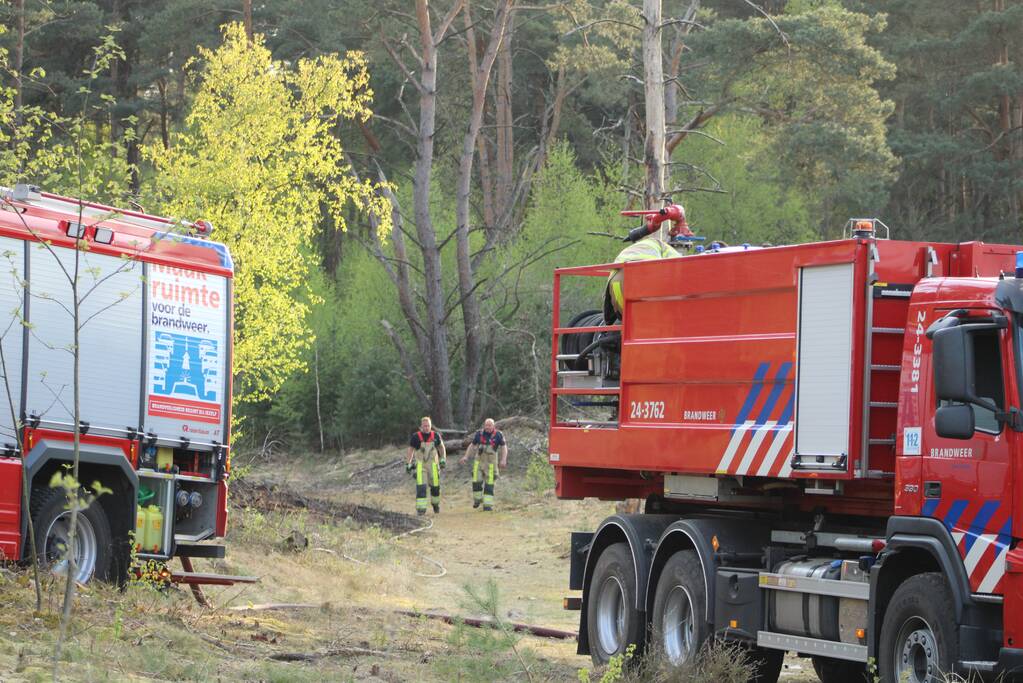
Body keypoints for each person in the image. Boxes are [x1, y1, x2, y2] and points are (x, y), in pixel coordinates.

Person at [459, 418, 508, 511]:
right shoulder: (479, 434)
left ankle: (487, 505)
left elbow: (504, 447)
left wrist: (503, 459)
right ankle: (477, 500)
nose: (488, 427)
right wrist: (466, 456)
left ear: (493, 426)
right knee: (476, 481)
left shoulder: (498, 435)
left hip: (491, 464)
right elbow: (472, 446)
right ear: (484, 426)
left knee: (489, 484)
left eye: (490, 425)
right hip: (478, 463)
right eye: (486, 425)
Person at [406, 417, 446, 515]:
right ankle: (421, 510)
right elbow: (410, 450)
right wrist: (408, 463)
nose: (426, 427)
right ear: (421, 426)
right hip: (421, 466)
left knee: (435, 488)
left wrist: (443, 459)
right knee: (421, 488)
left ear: (431, 426)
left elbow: (441, 447)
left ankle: (436, 505)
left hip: (434, 466)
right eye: (424, 426)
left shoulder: (436, 435)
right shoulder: (415, 437)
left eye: (428, 425)